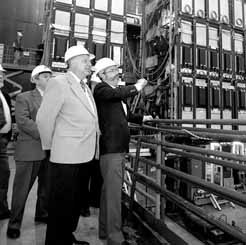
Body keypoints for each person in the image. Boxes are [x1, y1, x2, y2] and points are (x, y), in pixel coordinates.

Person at [36, 45, 100, 245]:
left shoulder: (85, 87)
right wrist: (51, 148)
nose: (89, 64)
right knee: (61, 205)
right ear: (71, 62)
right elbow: (44, 119)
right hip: (66, 156)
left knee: (74, 203)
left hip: (86, 155)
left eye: (89, 61)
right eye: (85, 60)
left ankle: (67, 237)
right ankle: (56, 241)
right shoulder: (59, 83)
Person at [93, 57, 152, 245]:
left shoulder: (114, 95)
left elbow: (125, 116)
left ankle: (104, 230)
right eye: (111, 70)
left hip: (115, 149)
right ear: (102, 75)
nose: (116, 72)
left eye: (115, 69)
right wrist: (138, 86)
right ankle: (115, 238)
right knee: (113, 194)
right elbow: (119, 93)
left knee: (107, 192)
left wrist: (143, 119)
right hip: (112, 149)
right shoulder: (102, 89)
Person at [6, 65, 52, 239]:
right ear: (35, 79)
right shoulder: (23, 97)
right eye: (45, 76)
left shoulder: (54, 99)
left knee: (46, 188)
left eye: (50, 76)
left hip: (50, 151)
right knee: (21, 189)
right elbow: (24, 121)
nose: (49, 79)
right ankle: (14, 223)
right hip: (30, 149)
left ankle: (42, 213)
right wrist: (48, 133)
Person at [0, 64, 12, 221]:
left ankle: (2, 209)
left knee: (3, 176)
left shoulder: (4, 94)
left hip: (2, 142)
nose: (1, 76)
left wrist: (6, 138)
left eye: (2, 74)